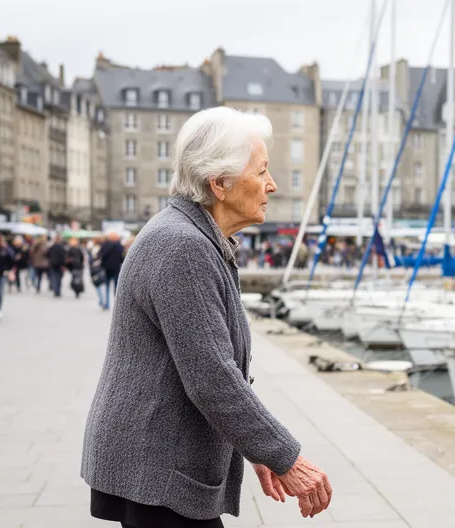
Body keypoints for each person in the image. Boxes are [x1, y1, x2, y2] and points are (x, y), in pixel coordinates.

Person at [82, 108, 331, 528]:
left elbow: (213, 369)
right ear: (220, 183)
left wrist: (256, 447)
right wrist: (285, 456)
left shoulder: (192, 237)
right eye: (263, 171)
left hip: (154, 461)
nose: (272, 185)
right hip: (156, 466)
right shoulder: (183, 247)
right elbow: (212, 377)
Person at [97, 232, 124, 311]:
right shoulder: (119, 246)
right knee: (116, 287)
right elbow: (121, 257)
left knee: (107, 286)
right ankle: (117, 306)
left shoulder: (105, 245)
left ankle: (107, 304)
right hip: (116, 268)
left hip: (106, 268)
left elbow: (100, 254)